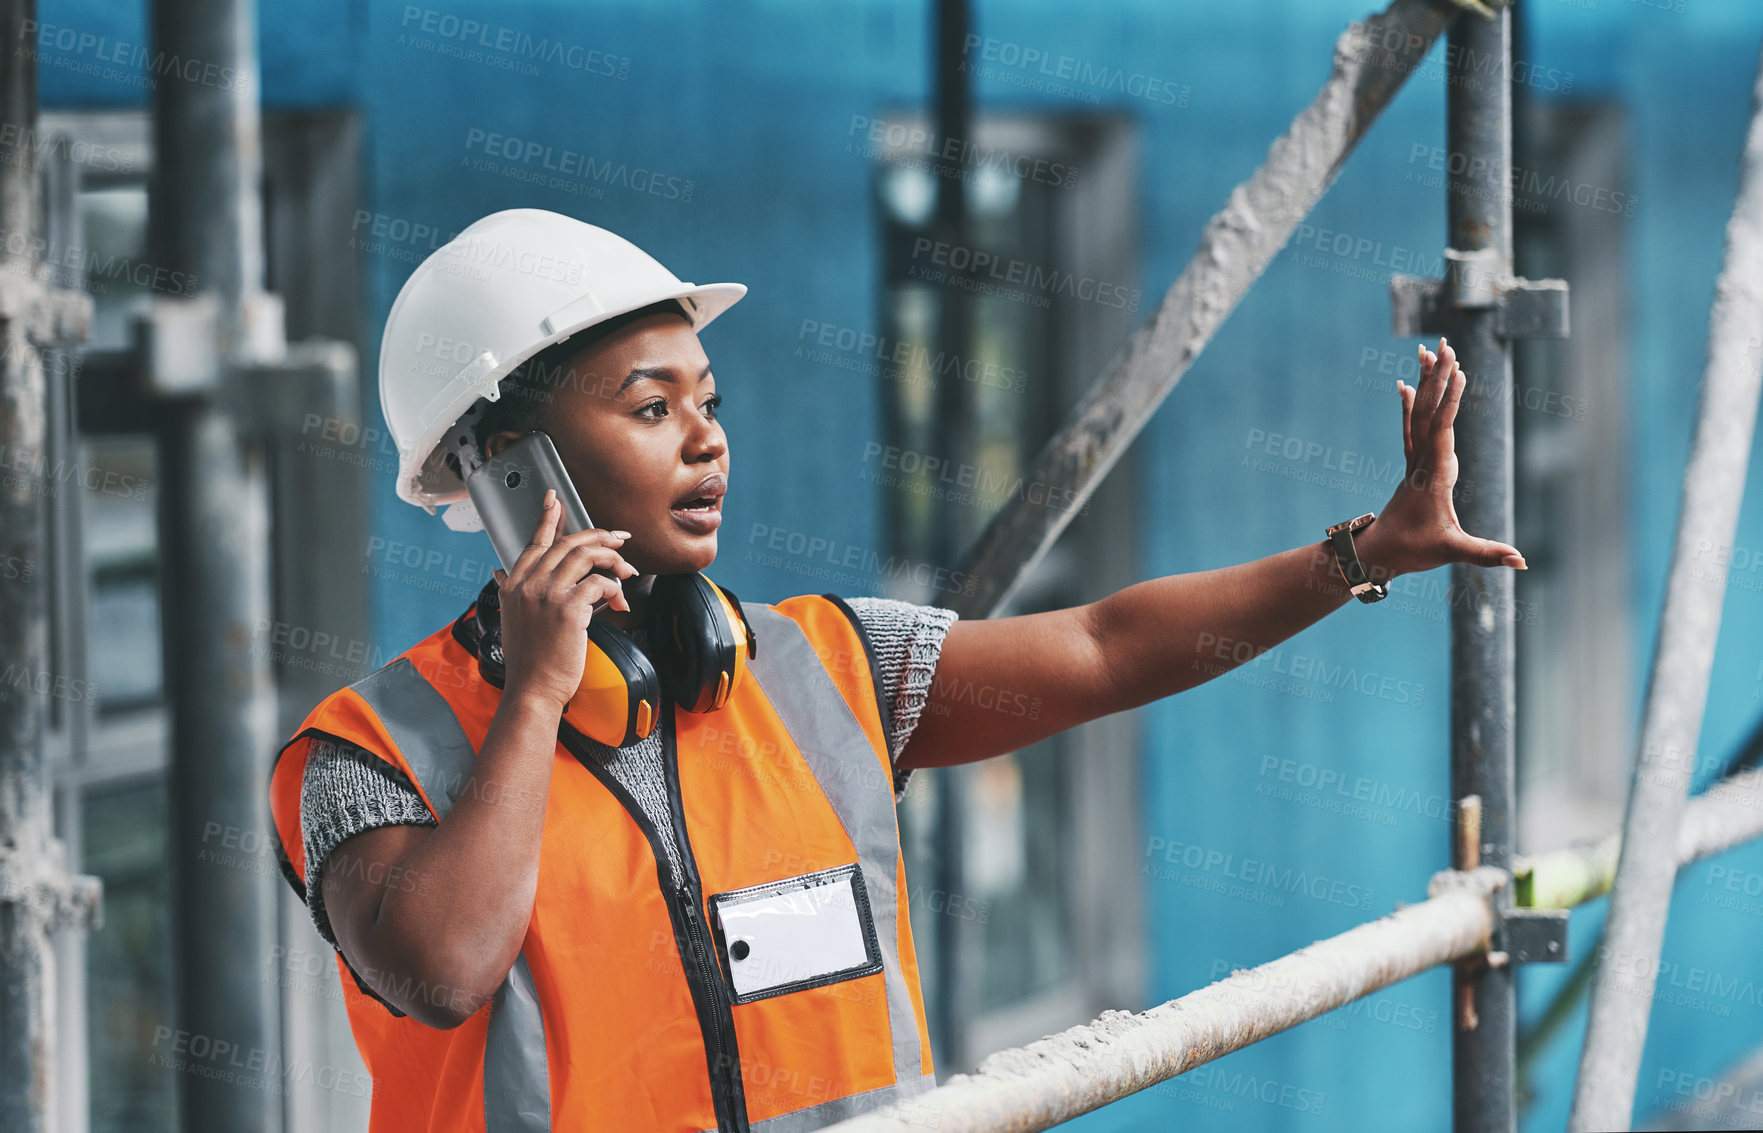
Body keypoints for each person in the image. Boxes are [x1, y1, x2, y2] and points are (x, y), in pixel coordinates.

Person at [266, 208, 1523, 1133]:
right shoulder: (360, 753)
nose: (707, 438)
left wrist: (1359, 551)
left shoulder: (821, 664)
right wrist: (539, 688)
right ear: (503, 465)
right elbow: (440, 968)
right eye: (650, 409)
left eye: (708, 398)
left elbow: (1101, 646)